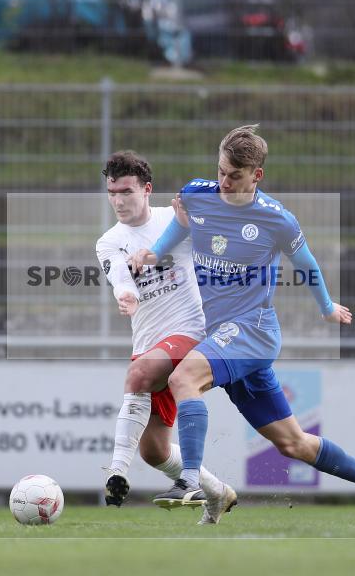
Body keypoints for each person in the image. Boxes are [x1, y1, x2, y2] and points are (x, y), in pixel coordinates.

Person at [129, 125, 355, 524]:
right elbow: (181, 225)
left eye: (235, 175)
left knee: (182, 379)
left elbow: (308, 265)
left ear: (256, 175)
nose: (224, 182)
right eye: (222, 171)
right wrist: (152, 254)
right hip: (224, 338)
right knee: (293, 444)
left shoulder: (277, 220)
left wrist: (327, 307)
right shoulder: (197, 194)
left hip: (253, 330)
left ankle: (190, 480)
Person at [96, 150, 237, 525]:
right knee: (155, 452)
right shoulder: (108, 241)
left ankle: (115, 472)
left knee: (138, 376)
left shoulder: (174, 220)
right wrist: (124, 295)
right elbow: (121, 281)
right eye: (112, 192)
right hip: (148, 344)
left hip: (189, 331)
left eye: (126, 191)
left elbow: (219, 244)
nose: (118, 200)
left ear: (147, 189)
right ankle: (217, 492)